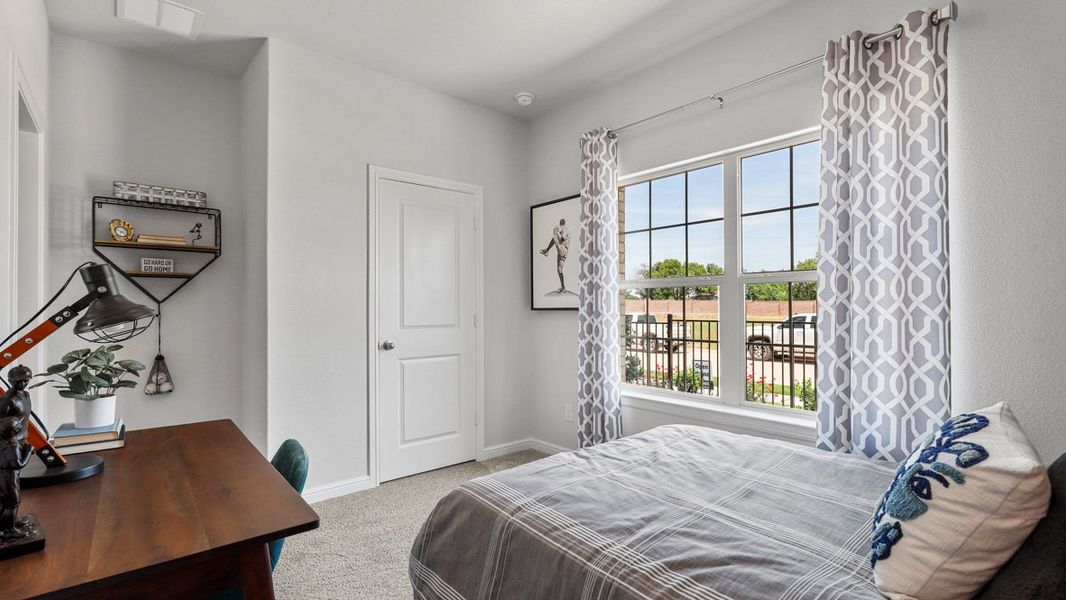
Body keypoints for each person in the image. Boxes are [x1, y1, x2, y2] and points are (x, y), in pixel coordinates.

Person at [0, 366, 33, 539]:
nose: (24, 383)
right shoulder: (8, 400)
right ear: (11, 381)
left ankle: (9, 521)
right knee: (10, 490)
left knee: (14, 482)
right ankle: (7, 526)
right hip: (11, 443)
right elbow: (2, 424)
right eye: (20, 381)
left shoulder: (26, 396)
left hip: (20, 442)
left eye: (26, 380)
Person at [539, 218, 571, 293]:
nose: (560, 227)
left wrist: (556, 232)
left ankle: (546, 250)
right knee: (559, 270)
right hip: (561, 253)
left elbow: (562, 239)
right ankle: (563, 287)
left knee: (554, 237)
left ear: (562, 224)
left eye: (560, 225)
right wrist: (557, 232)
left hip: (563, 249)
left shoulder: (565, 230)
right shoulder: (562, 230)